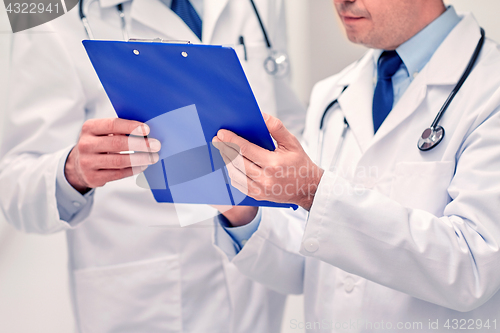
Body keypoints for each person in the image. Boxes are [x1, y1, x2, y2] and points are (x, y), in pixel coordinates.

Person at [0, 0, 305, 332]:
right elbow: (14, 186)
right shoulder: (40, 10)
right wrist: (73, 171)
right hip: (141, 300)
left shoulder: (262, 5)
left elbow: (287, 121)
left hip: (256, 289)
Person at [213, 0, 500, 331]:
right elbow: (306, 264)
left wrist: (312, 191)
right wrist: (240, 209)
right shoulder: (332, 94)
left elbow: (473, 269)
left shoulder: (489, 91)